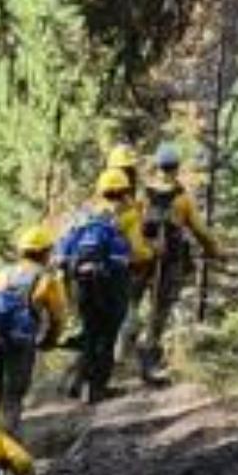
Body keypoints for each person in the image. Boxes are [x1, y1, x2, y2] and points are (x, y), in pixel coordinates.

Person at [55, 169, 144, 403]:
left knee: (90, 332)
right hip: (111, 282)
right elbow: (134, 253)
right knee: (108, 334)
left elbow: (62, 252)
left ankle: (80, 382)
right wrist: (151, 252)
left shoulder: (84, 216)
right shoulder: (123, 218)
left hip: (81, 282)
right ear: (125, 192)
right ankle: (96, 388)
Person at [137, 145, 222, 381]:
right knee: (160, 310)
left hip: (142, 259)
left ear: (157, 166)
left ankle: (119, 355)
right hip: (169, 261)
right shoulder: (182, 199)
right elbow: (199, 230)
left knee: (134, 307)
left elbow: (134, 225)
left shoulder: (144, 194)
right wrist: (215, 250)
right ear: (176, 167)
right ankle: (150, 355)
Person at [0, 225, 68, 429]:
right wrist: (49, 341)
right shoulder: (47, 280)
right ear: (45, 252)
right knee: (13, 396)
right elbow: (58, 317)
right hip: (21, 340)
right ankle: (7, 442)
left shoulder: (3, 274)